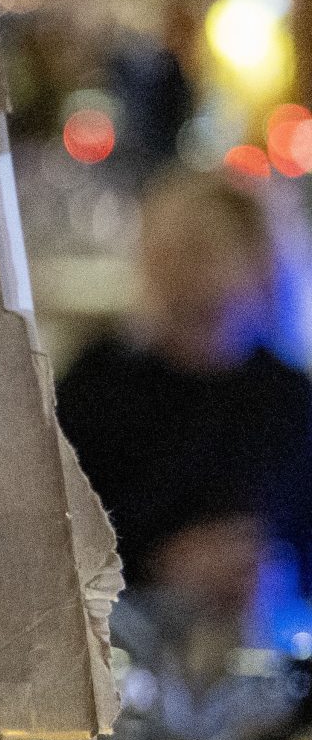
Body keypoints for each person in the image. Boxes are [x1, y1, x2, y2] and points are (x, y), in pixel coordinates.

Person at [56, 171, 312, 629]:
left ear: (257, 266)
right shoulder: (98, 385)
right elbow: (56, 536)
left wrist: (275, 573)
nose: (182, 273)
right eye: (167, 251)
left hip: (260, 640)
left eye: (201, 251)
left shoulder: (291, 400)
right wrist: (159, 565)